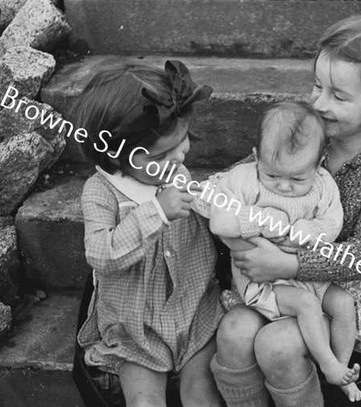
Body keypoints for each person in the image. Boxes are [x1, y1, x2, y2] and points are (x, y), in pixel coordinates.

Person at [209, 14, 361, 407]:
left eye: (338, 96)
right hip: (270, 281)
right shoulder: (305, 130)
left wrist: (292, 266)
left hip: (342, 287)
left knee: (276, 346)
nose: (318, 102)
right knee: (233, 332)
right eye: (317, 86)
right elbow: (248, 176)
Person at [73, 61, 225, 407]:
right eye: (163, 154)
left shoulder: (173, 172)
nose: (180, 155)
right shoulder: (101, 191)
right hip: (135, 325)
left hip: (193, 308)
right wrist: (155, 212)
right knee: (143, 400)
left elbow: (203, 210)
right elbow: (99, 252)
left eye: (183, 140)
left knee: (201, 392)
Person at [208, 101, 361, 401]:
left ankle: (340, 367)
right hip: (264, 282)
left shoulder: (323, 185)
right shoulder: (242, 180)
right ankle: (327, 364)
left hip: (309, 271)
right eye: (273, 176)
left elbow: (333, 222)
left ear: (318, 165)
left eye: (297, 179)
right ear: (256, 158)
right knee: (305, 304)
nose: (285, 187)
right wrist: (260, 222)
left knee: (343, 302)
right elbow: (220, 221)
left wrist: (313, 232)